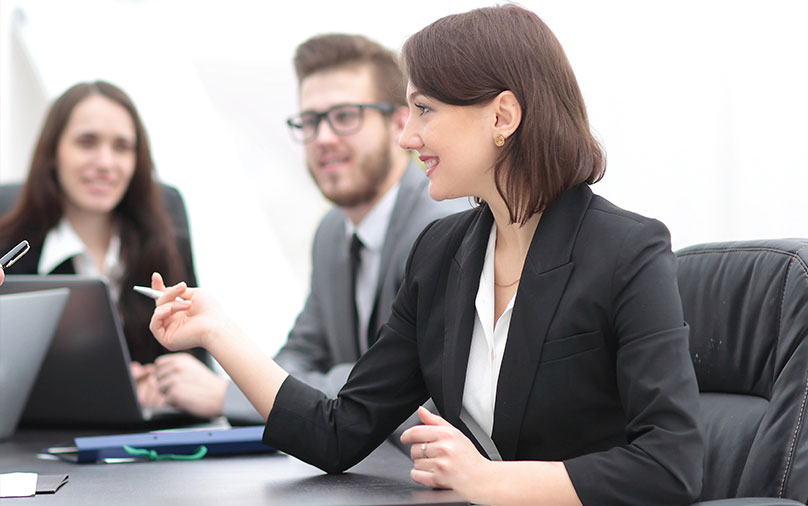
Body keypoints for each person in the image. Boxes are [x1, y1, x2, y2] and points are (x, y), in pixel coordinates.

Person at [148, 6, 703, 505]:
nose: (407, 137)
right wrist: (216, 331)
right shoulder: (442, 253)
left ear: (503, 116)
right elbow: (338, 430)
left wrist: (487, 480)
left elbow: (669, 466)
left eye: (424, 110)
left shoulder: (628, 251)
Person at [151, 33, 466, 423]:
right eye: (311, 120)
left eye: (345, 116)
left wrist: (226, 395)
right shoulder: (332, 233)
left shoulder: (441, 226)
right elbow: (300, 352)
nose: (323, 139)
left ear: (399, 122)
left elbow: (398, 384)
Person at [0, 80, 202, 406]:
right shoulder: (9, 248)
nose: (106, 163)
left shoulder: (164, 235)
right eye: (87, 142)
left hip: (146, 440)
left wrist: (163, 386)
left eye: (122, 147)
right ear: (53, 153)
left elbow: (196, 359)